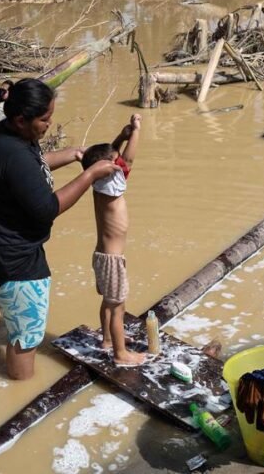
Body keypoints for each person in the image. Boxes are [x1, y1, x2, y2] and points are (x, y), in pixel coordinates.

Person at [0, 78, 115, 380]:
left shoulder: (10, 133)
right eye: (45, 119)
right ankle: (19, 392)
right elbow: (48, 208)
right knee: (27, 338)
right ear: (21, 119)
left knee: (21, 327)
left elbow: (33, 165)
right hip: (12, 256)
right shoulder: (12, 153)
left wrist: (74, 155)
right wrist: (89, 175)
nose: (50, 123)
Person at [80, 114, 145, 366]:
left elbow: (114, 155)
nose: (118, 163)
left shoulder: (102, 182)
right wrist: (137, 130)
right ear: (108, 168)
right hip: (112, 259)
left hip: (103, 255)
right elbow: (128, 158)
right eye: (113, 162)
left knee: (109, 302)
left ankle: (108, 339)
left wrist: (121, 135)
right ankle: (121, 354)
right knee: (117, 307)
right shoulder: (110, 181)